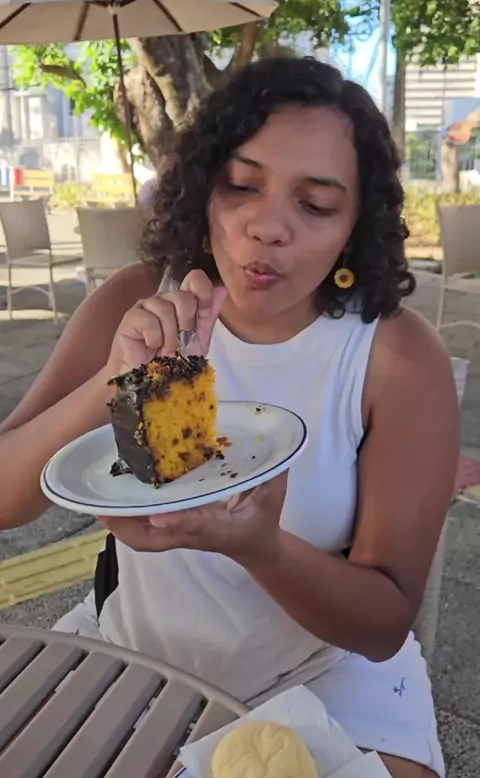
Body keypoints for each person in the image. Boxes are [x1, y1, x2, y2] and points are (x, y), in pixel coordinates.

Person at [0, 57, 459, 778]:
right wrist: (114, 379)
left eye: (316, 204)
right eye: (242, 185)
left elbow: (382, 624)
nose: (267, 226)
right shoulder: (133, 300)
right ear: (202, 187)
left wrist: (260, 547)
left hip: (324, 673)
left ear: (355, 227)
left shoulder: (394, 357)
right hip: (134, 656)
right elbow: (6, 500)